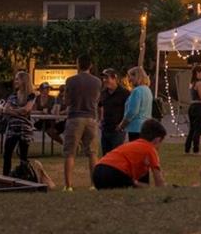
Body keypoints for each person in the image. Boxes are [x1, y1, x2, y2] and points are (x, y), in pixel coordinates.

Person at [61, 55, 102, 191]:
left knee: (70, 152)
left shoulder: (71, 81)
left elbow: (67, 101)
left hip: (75, 117)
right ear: (90, 65)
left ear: (78, 65)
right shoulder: (97, 82)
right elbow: (97, 99)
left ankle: (68, 185)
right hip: (91, 117)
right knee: (92, 153)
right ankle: (94, 184)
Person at [93, 118, 169, 189]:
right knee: (142, 187)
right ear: (157, 140)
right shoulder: (150, 149)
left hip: (98, 171)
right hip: (114, 173)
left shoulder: (132, 145)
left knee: (138, 185)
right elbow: (159, 182)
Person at [2, 70, 35, 178]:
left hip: (24, 130)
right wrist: (18, 111)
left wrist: (13, 110)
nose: (15, 81)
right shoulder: (12, 95)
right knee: (7, 153)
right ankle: (5, 176)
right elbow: (5, 110)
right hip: (12, 129)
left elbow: (27, 109)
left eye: (17, 79)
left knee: (23, 156)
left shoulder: (31, 95)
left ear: (24, 81)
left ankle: (24, 176)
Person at [98, 69, 130, 156]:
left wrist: (122, 124)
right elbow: (100, 106)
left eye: (107, 78)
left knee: (116, 155)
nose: (104, 80)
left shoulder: (124, 93)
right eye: (103, 78)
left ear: (114, 78)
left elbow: (129, 110)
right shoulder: (103, 93)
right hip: (105, 128)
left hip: (118, 129)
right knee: (106, 155)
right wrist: (100, 120)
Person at [122, 67, 153, 142]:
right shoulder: (147, 90)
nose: (129, 80)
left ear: (136, 76)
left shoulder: (137, 91)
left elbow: (133, 111)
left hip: (136, 127)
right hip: (145, 126)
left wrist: (123, 124)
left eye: (130, 76)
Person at [185, 64, 201, 154]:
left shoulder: (191, 83)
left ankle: (187, 148)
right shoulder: (199, 83)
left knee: (192, 129)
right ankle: (196, 149)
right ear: (197, 73)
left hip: (192, 106)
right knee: (197, 129)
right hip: (198, 107)